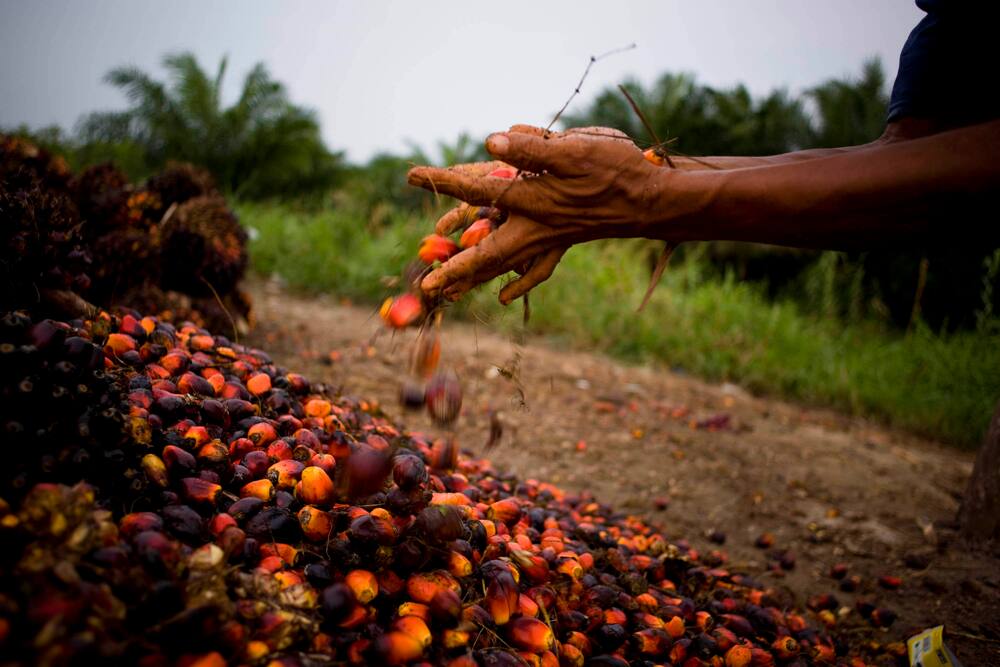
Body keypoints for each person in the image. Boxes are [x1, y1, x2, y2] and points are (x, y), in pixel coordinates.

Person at [406, 1, 1000, 540]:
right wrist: (641, 173)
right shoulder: (945, 28)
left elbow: (946, 195)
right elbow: (894, 172)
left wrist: (641, 196)